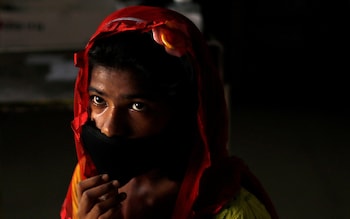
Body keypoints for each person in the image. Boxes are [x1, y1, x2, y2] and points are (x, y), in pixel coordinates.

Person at [60, 5, 279, 219]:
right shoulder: (89, 181)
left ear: (182, 110)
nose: (109, 127)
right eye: (99, 100)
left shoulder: (233, 212)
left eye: (137, 106)